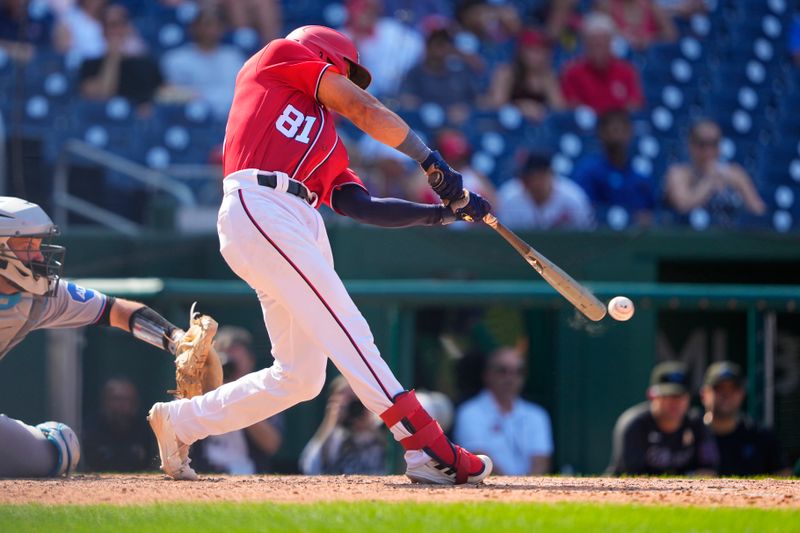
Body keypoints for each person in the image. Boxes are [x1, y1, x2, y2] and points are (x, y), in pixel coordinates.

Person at [146, 24, 494, 486]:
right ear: (329, 55)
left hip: (298, 217)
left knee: (301, 377)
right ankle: (423, 445)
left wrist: (442, 214)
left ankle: (181, 422)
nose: (350, 84)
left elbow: (361, 206)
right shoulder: (280, 56)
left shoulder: (328, 141)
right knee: (349, 328)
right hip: (260, 201)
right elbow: (362, 106)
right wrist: (431, 161)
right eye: (348, 73)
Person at [0, 196, 214, 477]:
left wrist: (177, 341)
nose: (39, 256)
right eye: (28, 245)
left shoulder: (37, 297)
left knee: (60, 449)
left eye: (39, 245)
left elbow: (116, 311)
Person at [189, 326, 284, 475]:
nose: (228, 367)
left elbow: (271, 444)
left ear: (250, 362)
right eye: (223, 362)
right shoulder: (200, 391)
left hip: (248, 474)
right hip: (203, 472)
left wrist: (237, 397)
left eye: (234, 363)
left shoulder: (262, 393)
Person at [454, 345, 553, 476]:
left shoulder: (537, 415)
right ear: (487, 375)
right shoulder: (469, 412)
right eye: (502, 371)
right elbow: (478, 457)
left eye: (518, 372)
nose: (510, 379)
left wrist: (526, 490)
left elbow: (541, 461)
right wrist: (511, 489)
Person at [607, 361, 719, 476]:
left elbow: (708, 471)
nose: (674, 402)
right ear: (652, 395)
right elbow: (631, 476)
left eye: (680, 395)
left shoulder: (696, 424)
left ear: (689, 397)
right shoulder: (635, 424)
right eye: (667, 395)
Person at [663, 119, 765, 226]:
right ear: (690, 145)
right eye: (702, 144)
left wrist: (738, 188)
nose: (708, 150)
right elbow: (682, 206)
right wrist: (709, 181)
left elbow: (758, 210)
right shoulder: (678, 174)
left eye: (714, 143)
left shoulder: (735, 173)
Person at [699, 361, 791, 477]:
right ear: (704, 394)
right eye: (719, 388)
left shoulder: (761, 437)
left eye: (733, 388)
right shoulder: (689, 436)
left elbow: (784, 476)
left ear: (742, 394)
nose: (726, 394)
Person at [572, 109, 655, 227]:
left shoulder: (641, 175)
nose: (617, 135)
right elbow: (582, 210)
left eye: (622, 129)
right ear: (601, 133)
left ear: (630, 132)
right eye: (612, 129)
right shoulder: (588, 171)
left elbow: (649, 213)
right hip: (597, 238)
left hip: (635, 239)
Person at [161, 8, 246, 119]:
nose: (210, 30)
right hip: (191, 119)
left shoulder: (234, 57)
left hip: (232, 118)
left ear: (222, 29)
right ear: (193, 28)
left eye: (215, 25)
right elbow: (167, 93)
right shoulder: (176, 59)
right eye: (205, 25)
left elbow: (243, 91)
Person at [78, 3, 162, 109]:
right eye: (112, 25)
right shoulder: (90, 63)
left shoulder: (145, 63)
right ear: (103, 30)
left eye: (121, 24)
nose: (117, 31)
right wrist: (113, 58)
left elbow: (158, 94)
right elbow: (102, 95)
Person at [299, 376, 387, 475]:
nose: (353, 405)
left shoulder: (379, 430)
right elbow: (309, 467)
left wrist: (370, 426)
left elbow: (400, 461)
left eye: (355, 398)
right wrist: (330, 421)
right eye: (346, 399)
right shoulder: (333, 438)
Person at [560, 12, 644, 114]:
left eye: (602, 44)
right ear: (585, 46)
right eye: (593, 44)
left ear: (611, 45)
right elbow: (572, 107)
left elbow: (634, 104)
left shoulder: (627, 71)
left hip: (618, 125)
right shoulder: (572, 73)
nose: (598, 50)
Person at [397, 23, 480, 126]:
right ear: (428, 46)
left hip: (460, 127)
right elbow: (407, 100)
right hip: (426, 127)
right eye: (438, 44)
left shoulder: (459, 71)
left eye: (446, 44)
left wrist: (465, 108)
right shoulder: (415, 72)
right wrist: (437, 110)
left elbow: (477, 100)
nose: (442, 49)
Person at [342, 0, 424, 98]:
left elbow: (418, 48)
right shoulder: (340, 36)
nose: (367, 13)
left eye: (372, 8)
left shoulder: (390, 29)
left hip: (396, 93)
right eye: (363, 8)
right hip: (358, 96)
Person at [497, 149, 593, 230]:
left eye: (541, 176)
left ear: (551, 174)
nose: (537, 182)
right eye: (531, 177)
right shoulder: (509, 197)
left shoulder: (572, 197)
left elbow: (586, 233)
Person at [484, 29, 565, 122]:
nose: (538, 56)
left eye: (542, 51)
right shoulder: (507, 73)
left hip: (538, 130)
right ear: (522, 51)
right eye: (532, 50)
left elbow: (559, 109)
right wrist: (519, 107)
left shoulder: (548, 76)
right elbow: (496, 105)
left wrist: (542, 111)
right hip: (508, 127)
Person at [82, 377, 156, 472]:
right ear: (105, 401)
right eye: (117, 399)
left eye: (127, 399)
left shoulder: (147, 428)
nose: (122, 405)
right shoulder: (90, 427)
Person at [595, 0, 677, 50]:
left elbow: (671, 34)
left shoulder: (650, 4)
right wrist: (625, 37)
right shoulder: (607, 6)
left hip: (650, 57)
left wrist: (649, 40)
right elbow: (600, 37)